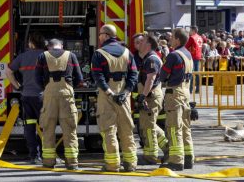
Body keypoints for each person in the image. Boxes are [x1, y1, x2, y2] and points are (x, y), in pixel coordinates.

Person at [91, 25, 138, 172]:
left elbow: (98, 77)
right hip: (124, 95)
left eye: (100, 34)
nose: (99, 37)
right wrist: (126, 92)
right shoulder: (127, 52)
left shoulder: (99, 54)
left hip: (108, 96)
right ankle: (131, 164)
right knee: (126, 129)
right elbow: (134, 74)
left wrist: (110, 93)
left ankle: (112, 164)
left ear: (105, 36)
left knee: (108, 129)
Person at [35, 39, 83, 170]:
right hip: (66, 95)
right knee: (70, 130)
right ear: (61, 45)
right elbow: (79, 78)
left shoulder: (42, 56)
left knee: (48, 130)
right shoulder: (71, 55)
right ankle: (72, 163)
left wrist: (46, 88)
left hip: (49, 95)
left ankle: (49, 162)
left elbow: (36, 78)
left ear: (49, 46)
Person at [6, 33, 45, 164]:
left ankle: (33, 155)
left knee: (30, 126)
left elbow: (9, 71)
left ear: (31, 43)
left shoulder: (22, 57)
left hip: (26, 97)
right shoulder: (47, 56)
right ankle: (47, 155)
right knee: (45, 127)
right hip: (42, 98)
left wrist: (17, 86)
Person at [159, 28, 194, 171]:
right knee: (185, 127)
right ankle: (188, 157)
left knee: (174, 128)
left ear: (178, 40)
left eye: (172, 37)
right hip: (185, 92)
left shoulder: (173, 56)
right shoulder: (188, 54)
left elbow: (162, 75)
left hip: (174, 93)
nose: (170, 39)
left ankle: (176, 161)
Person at [136, 34, 168, 165]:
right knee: (148, 125)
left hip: (151, 97)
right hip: (151, 96)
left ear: (148, 45)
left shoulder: (151, 59)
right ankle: (167, 148)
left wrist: (143, 95)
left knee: (148, 126)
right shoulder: (148, 59)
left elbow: (151, 79)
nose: (138, 44)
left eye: (141, 42)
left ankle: (151, 156)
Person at [185, 26, 203, 93]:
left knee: (191, 72)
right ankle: (198, 88)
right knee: (197, 72)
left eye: (190, 30)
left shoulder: (192, 38)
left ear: (193, 31)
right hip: (198, 55)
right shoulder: (200, 37)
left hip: (193, 56)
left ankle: (190, 89)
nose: (189, 32)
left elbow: (186, 46)